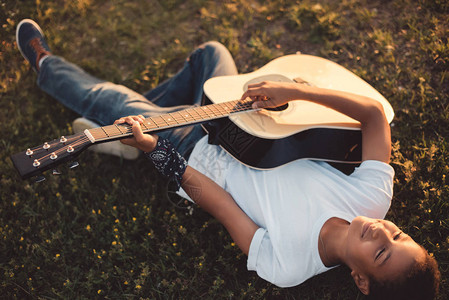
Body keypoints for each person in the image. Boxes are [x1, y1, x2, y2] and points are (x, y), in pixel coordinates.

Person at [16, 19, 440, 299]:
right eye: (399, 235)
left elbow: (220, 205)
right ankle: (149, 115)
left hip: (194, 153)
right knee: (211, 55)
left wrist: (155, 149)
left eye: (383, 252)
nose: (382, 233)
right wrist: (296, 93)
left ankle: (44, 63)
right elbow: (371, 115)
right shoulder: (372, 198)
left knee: (110, 101)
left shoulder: (289, 265)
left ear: (361, 281)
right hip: (245, 124)